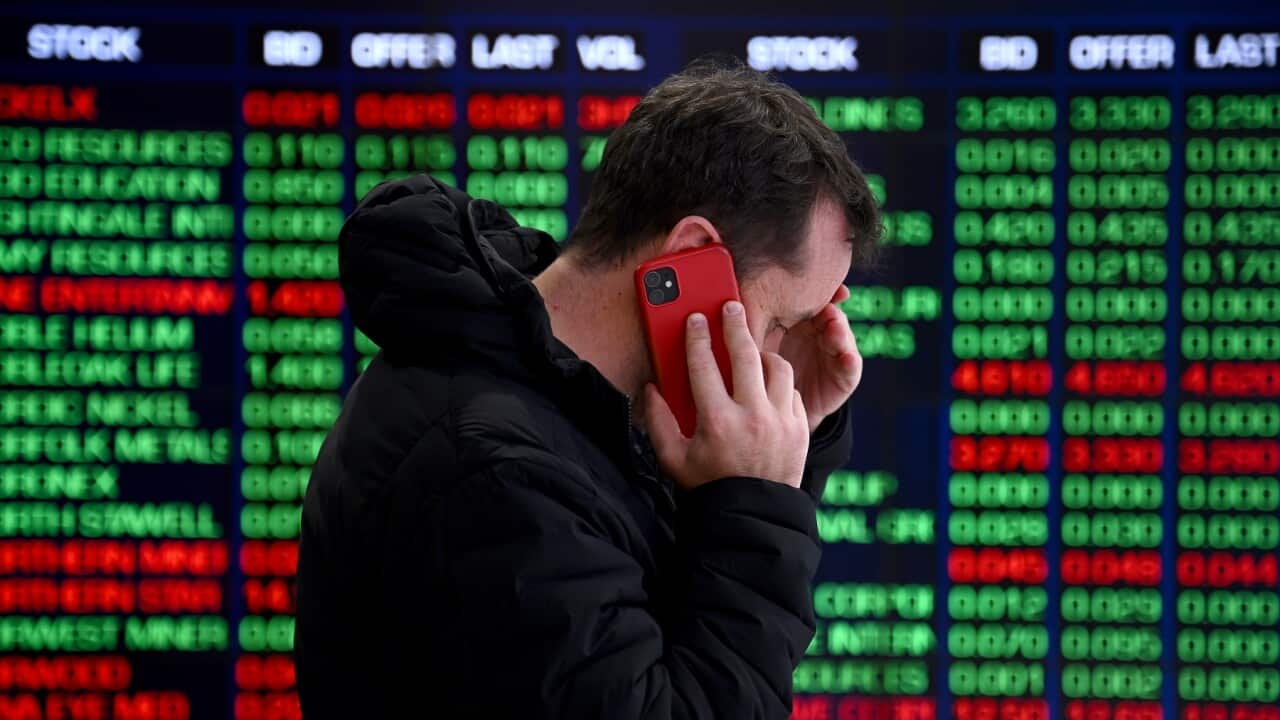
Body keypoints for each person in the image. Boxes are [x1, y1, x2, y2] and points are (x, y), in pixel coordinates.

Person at [294, 59, 880, 719]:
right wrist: (754, 507)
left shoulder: (554, 402)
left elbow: (689, 629)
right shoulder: (494, 472)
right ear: (689, 258)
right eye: (781, 323)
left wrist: (789, 433)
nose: (773, 361)